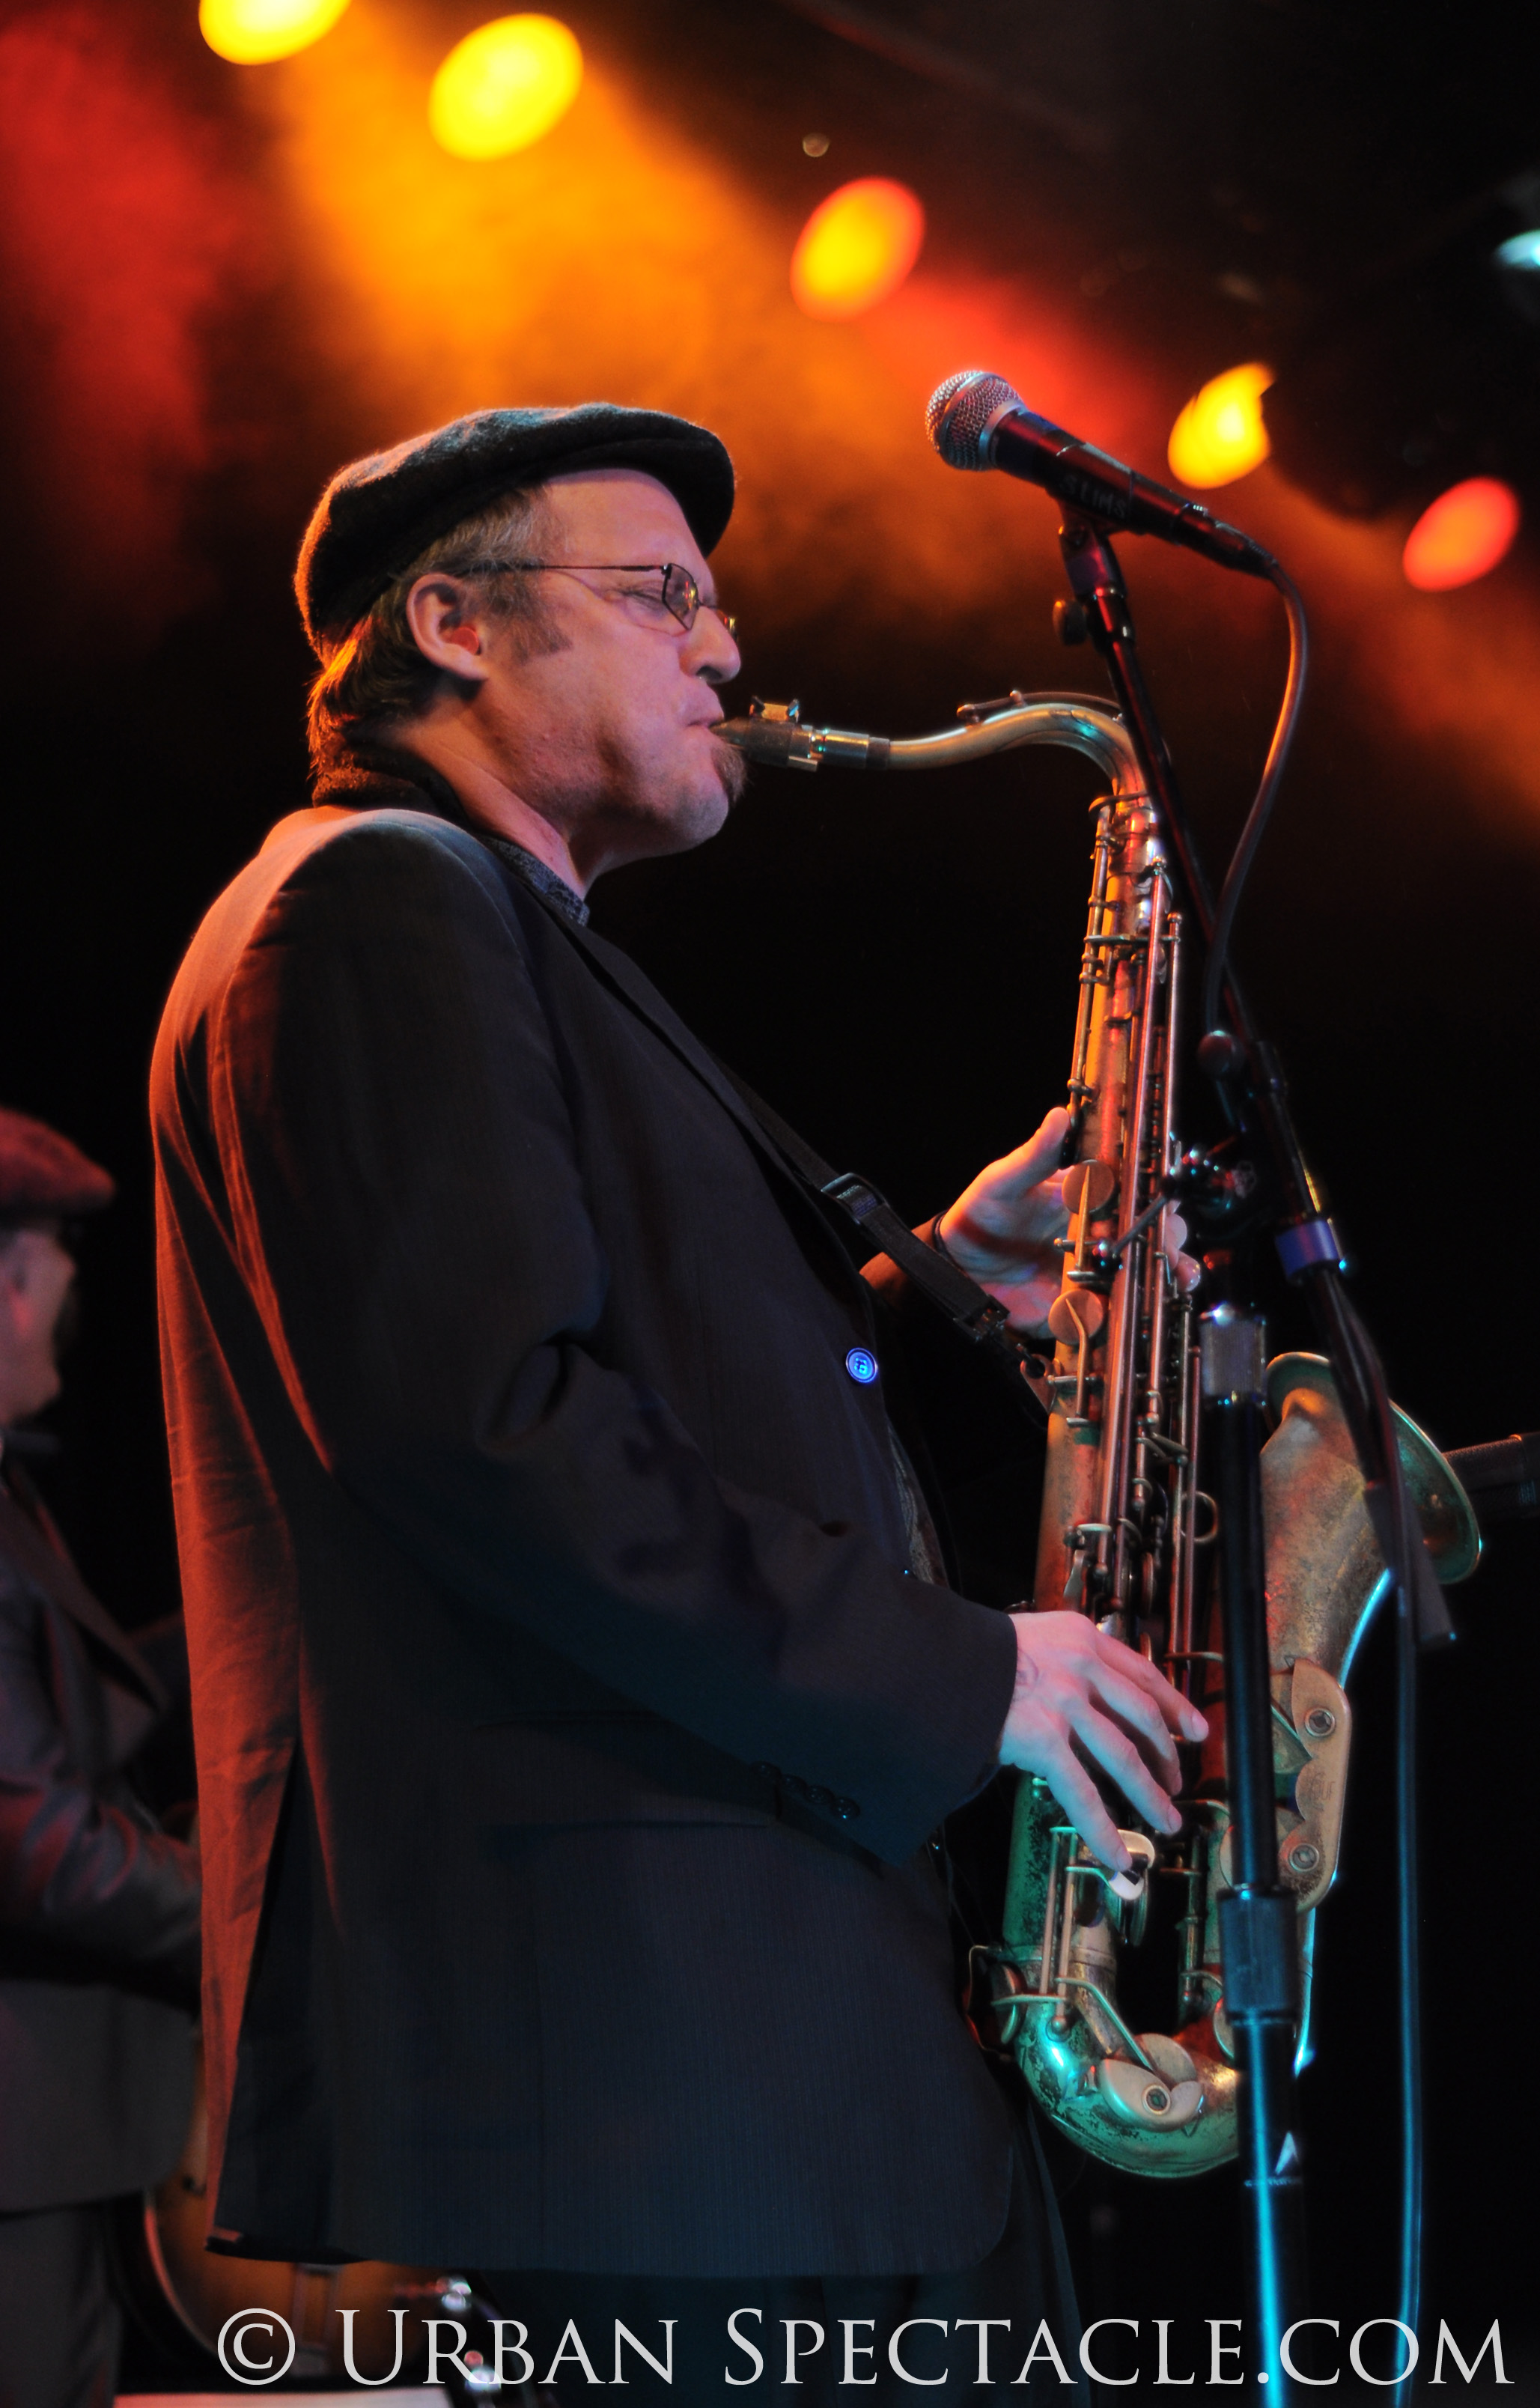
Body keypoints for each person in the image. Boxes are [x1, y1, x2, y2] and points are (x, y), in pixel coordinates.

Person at [151, 404, 1205, 2401]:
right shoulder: (374, 901)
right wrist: (975, 1674)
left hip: (738, 2072)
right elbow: (489, 1438)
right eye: (661, 598)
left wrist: (929, 1288)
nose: (724, 650)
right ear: (454, 623)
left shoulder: (495, 930)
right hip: (655, 2084)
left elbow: (616, 1385)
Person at [0, 1107, 201, 2408]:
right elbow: (44, 1849)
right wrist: (253, 1919)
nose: (73, 1310)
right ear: (11, 1281)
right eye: (62, 1268)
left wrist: (265, 1616)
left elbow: (74, 1701)